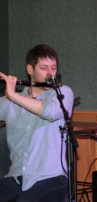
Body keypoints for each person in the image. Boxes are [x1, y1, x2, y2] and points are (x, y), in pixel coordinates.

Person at [0, 44, 74, 202]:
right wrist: (11, 96)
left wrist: (13, 96)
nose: (50, 74)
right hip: (16, 178)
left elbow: (49, 112)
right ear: (30, 69)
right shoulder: (8, 102)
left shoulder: (62, 94)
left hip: (51, 178)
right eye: (44, 68)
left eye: (53, 68)